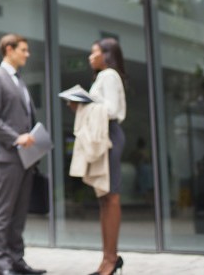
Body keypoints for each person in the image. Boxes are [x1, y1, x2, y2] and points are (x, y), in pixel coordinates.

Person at [0, 34, 46, 275]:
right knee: (2, 214)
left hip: (25, 158)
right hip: (7, 157)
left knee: (18, 215)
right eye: (24, 50)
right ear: (9, 49)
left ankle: (17, 261)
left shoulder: (19, 81)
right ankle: (3, 265)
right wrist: (16, 137)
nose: (27, 54)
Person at [68, 37, 126, 275]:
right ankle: (107, 259)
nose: (90, 57)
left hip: (109, 135)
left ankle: (111, 260)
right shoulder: (102, 77)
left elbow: (111, 109)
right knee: (104, 197)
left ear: (107, 54)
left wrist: (87, 103)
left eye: (94, 53)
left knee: (110, 196)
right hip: (104, 134)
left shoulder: (109, 75)